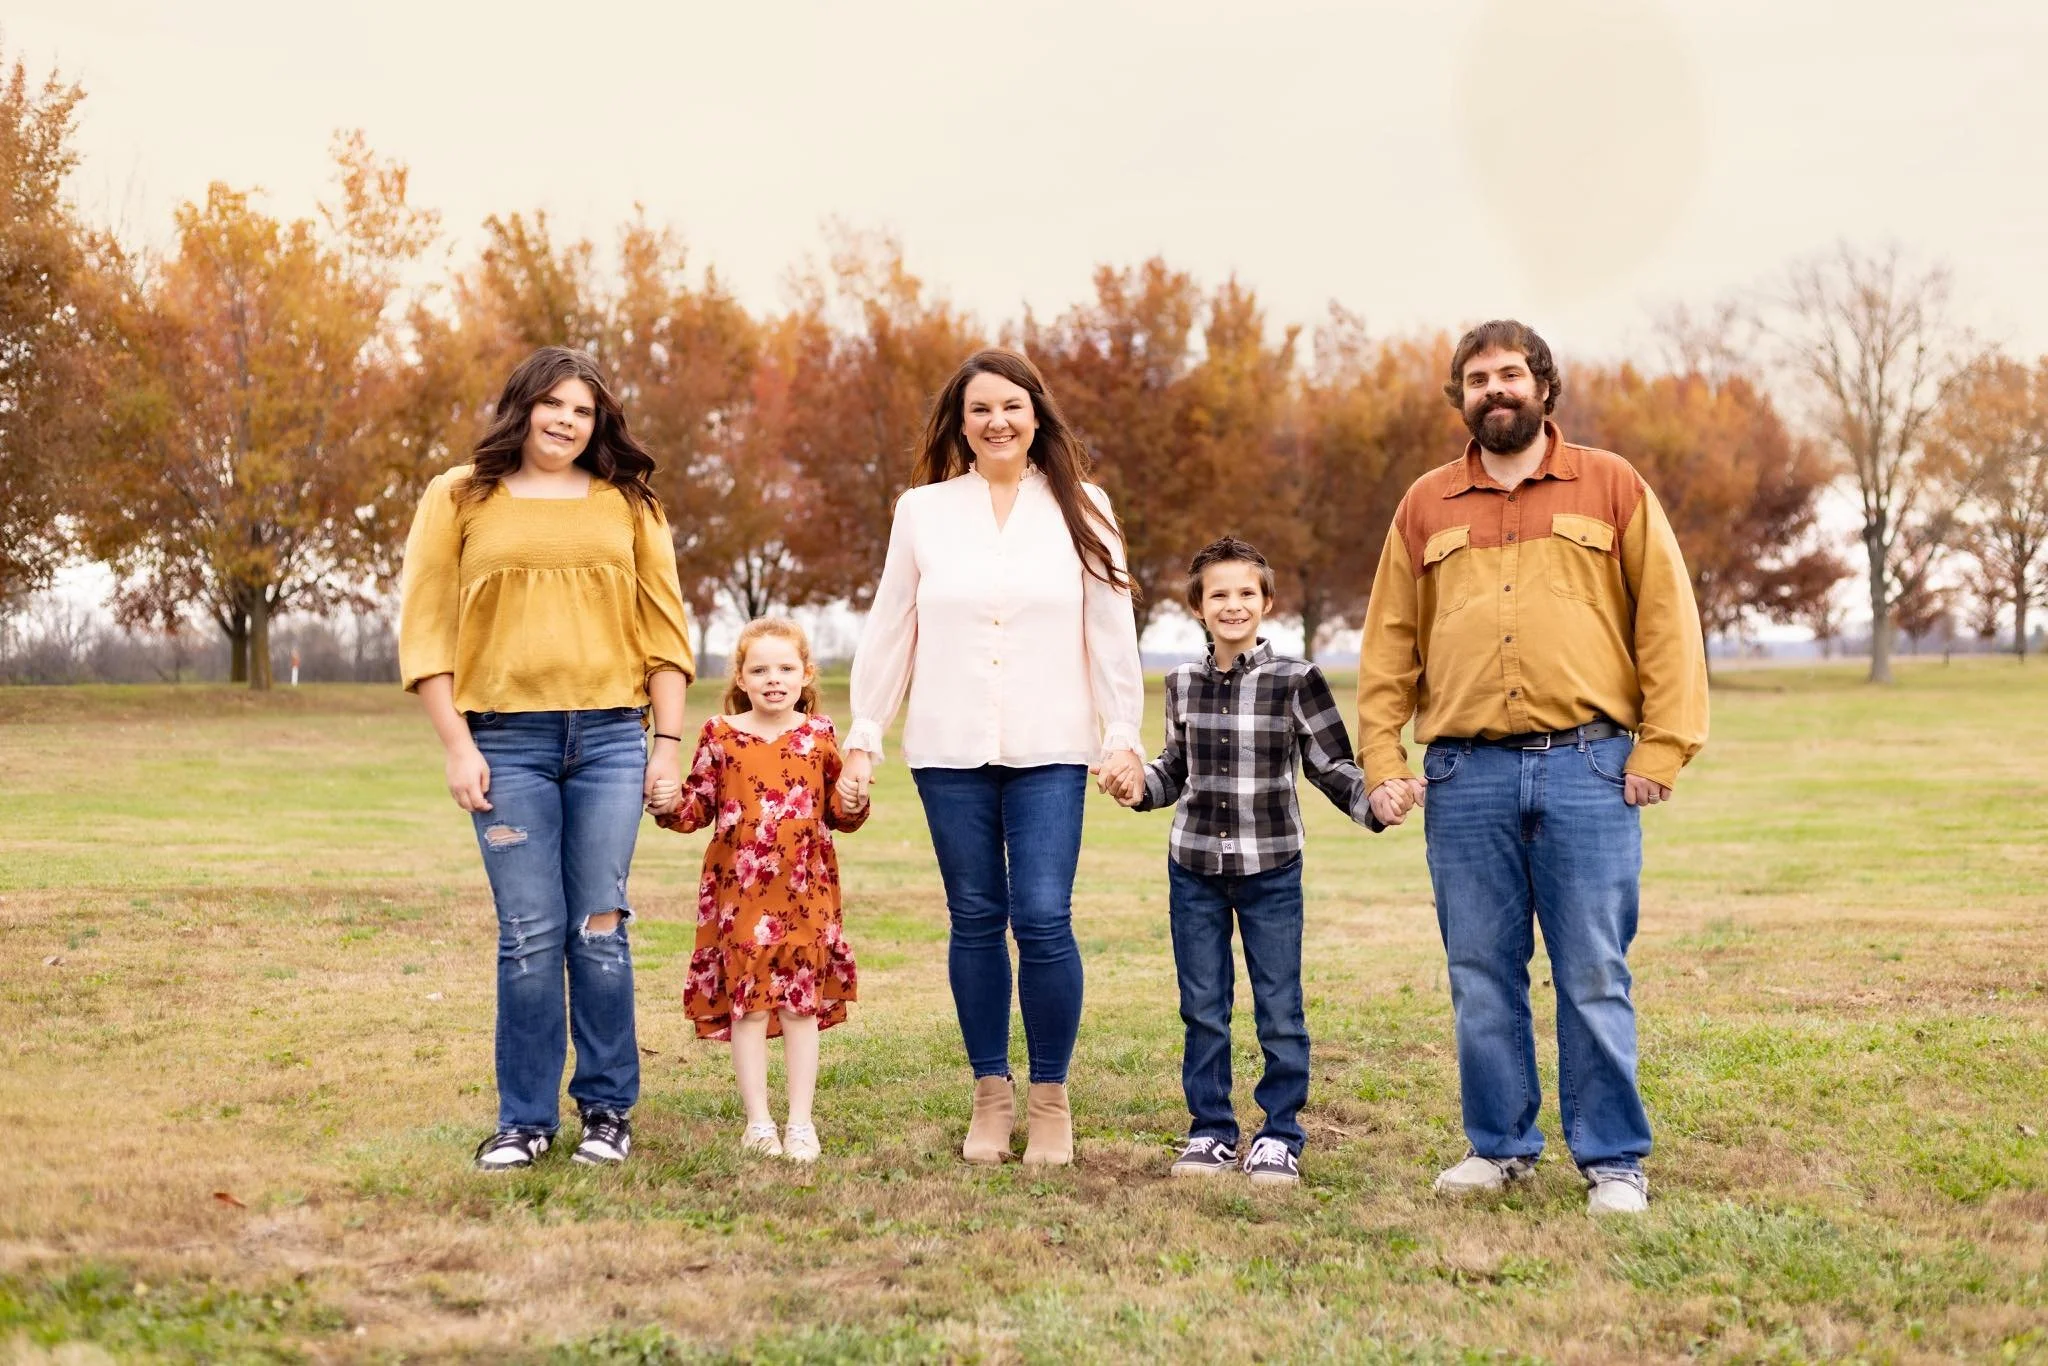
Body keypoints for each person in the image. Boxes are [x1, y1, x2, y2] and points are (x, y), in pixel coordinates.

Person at [1355, 320, 1708, 1214]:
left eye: (1511, 374)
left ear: (1544, 387)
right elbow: (1389, 644)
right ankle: (1500, 1146)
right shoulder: (1425, 504)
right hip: (1463, 774)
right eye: (1477, 379)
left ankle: (1613, 1159)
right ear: (1460, 398)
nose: (1495, 389)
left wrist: (1662, 745)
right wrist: (1382, 756)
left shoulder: (1614, 485)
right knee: (1479, 969)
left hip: (1589, 765)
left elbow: (1666, 619)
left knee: (1593, 968)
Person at [837, 348, 1145, 1167]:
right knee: (975, 918)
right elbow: (892, 624)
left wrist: (1122, 734)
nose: (997, 421)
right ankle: (990, 1093)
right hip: (948, 747)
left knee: (1043, 916)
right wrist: (863, 734)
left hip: (1051, 744)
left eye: (1011, 406)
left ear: (1036, 414)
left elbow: (1111, 632)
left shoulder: (1085, 506)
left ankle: (1050, 1098)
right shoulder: (923, 511)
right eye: (980, 410)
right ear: (960, 424)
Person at [398, 346, 694, 1171]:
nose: (566, 420)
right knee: (529, 935)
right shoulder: (458, 496)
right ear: (522, 405)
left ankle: (608, 1111)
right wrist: (457, 746)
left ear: (599, 424)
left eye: (584, 410)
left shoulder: (629, 502)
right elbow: (425, 631)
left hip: (608, 739)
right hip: (505, 743)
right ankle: (524, 1121)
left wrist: (663, 748)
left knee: (599, 928)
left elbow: (667, 637)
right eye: (554, 403)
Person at [1117, 536, 1387, 1187]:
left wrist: (1376, 804)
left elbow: (1331, 767)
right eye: (1219, 595)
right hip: (1195, 871)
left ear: (1266, 601)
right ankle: (1210, 1130)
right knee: (1204, 1006)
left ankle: (1279, 1132)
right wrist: (1137, 788)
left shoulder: (1297, 680)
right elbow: (1173, 771)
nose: (1232, 605)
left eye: (1245, 593)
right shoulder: (1180, 683)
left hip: (1271, 870)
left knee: (1279, 1005)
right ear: (1198, 607)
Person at [649, 618, 869, 1163]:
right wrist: (668, 801)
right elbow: (696, 807)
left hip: (805, 893)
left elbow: (839, 814)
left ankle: (800, 1122)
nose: (774, 679)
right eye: (760, 669)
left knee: (799, 1008)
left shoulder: (819, 735)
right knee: (746, 1008)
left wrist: (855, 799)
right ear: (741, 679)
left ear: (806, 674)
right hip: (740, 896)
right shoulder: (720, 734)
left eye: (786, 668)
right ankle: (759, 1122)